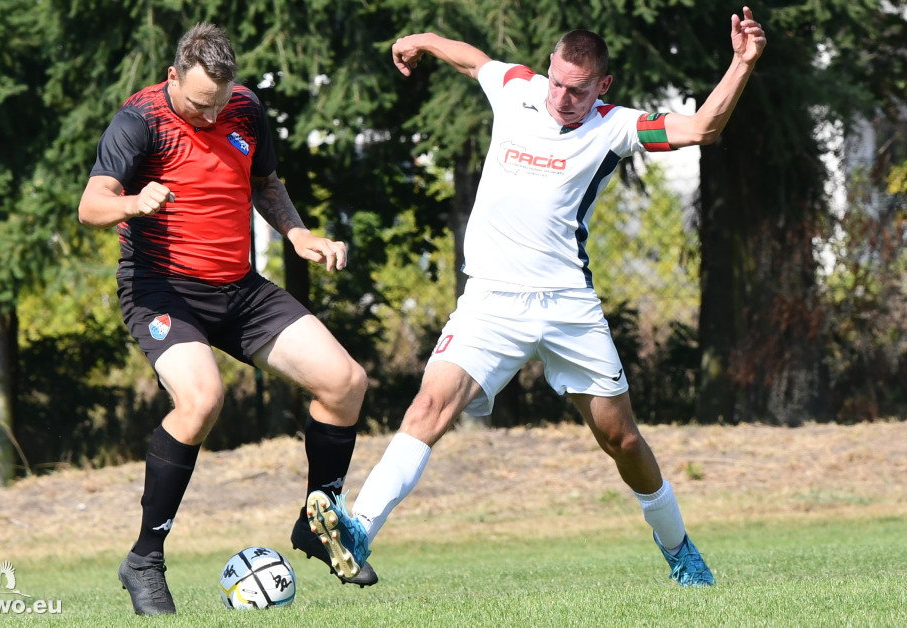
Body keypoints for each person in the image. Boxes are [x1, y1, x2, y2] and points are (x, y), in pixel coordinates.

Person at [305, 7, 767, 587]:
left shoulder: (616, 126)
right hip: (491, 301)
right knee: (428, 406)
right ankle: (358, 530)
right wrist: (422, 38)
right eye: (558, 83)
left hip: (567, 305)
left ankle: (678, 548)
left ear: (603, 85)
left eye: (579, 90)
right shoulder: (518, 89)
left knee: (622, 440)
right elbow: (473, 61)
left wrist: (742, 63)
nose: (563, 98)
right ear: (548, 68)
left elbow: (701, 128)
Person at [78, 23, 377, 616]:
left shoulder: (244, 108)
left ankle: (318, 520)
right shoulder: (139, 121)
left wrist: (298, 234)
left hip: (238, 289)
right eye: (199, 104)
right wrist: (133, 202)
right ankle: (144, 559)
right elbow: (91, 205)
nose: (212, 115)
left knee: (346, 383)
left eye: (219, 102)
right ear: (172, 77)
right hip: (162, 291)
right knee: (202, 400)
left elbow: (265, 183)